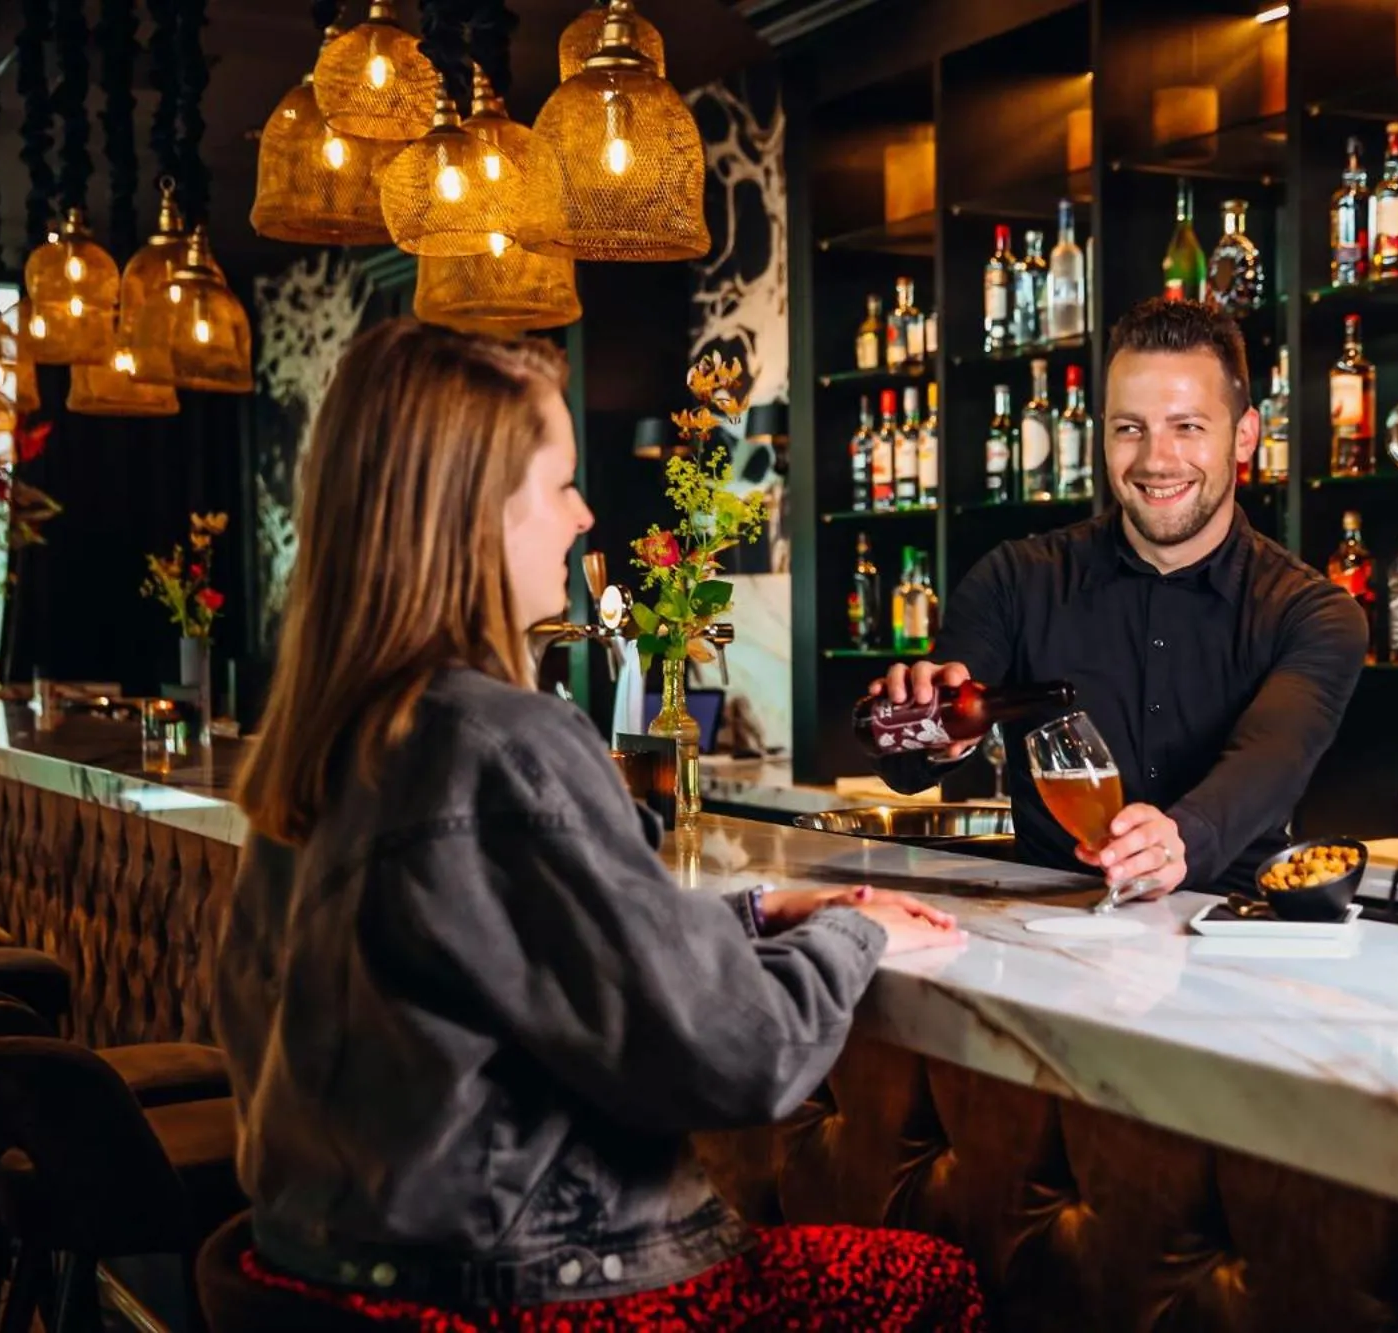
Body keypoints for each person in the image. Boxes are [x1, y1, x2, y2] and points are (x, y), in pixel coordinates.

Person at [203, 320, 982, 1331]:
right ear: (476, 510)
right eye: (563, 482)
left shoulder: (328, 733)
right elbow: (738, 1056)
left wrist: (756, 911)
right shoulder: (502, 739)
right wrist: (854, 931)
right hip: (523, 1291)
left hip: (332, 1271)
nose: (583, 516)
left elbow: (533, 945)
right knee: (923, 1280)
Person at [873, 299, 1367, 899]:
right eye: (1130, 428)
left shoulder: (1312, 613)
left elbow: (1272, 756)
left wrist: (1183, 836)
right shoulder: (1014, 580)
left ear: (1244, 436)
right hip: (1051, 931)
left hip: (1228, 934)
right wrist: (931, 728)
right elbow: (905, 766)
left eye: (1187, 427)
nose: (1156, 460)